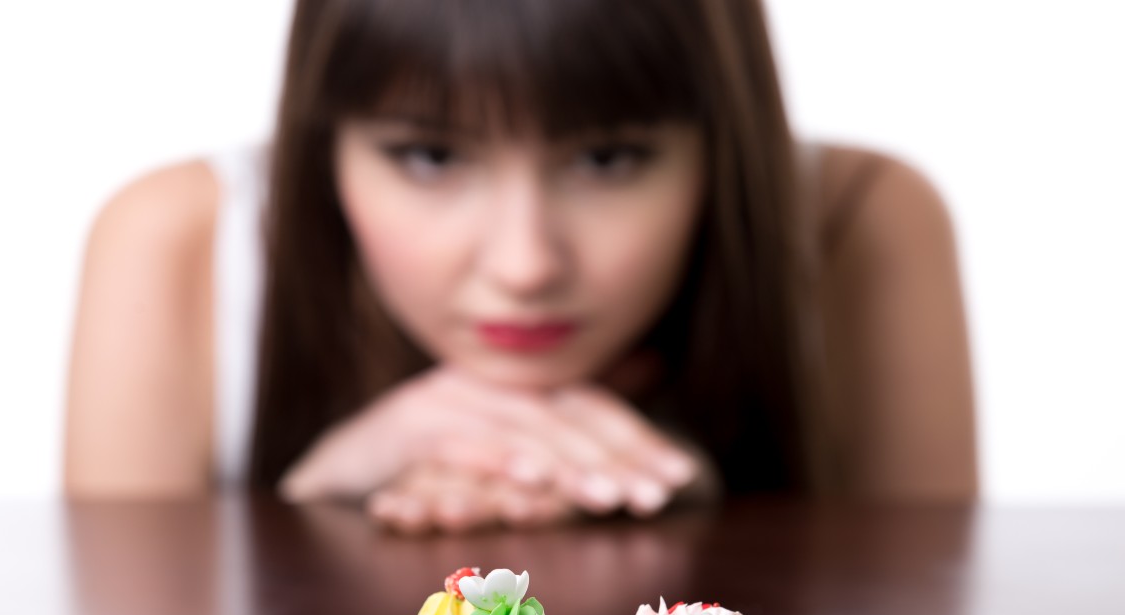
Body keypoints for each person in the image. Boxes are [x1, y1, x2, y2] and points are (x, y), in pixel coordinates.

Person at [64, 0, 977, 532]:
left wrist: (671, 504)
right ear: (322, 142)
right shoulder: (181, 240)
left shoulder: (860, 224)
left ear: (722, 141)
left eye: (608, 158)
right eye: (428, 156)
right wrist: (321, 496)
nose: (526, 264)